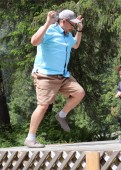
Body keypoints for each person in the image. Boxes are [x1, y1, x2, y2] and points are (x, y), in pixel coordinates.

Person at [24, 9, 85, 148]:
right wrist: (47, 23)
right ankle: (30, 138)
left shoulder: (67, 34)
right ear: (63, 21)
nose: (73, 26)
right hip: (45, 75)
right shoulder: (49, 30)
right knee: (43, 105)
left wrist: (79, 31)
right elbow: (34, 41)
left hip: (63, 76)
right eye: (73, 24)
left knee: (79, 93)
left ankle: (62, 115)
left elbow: (75, 45)